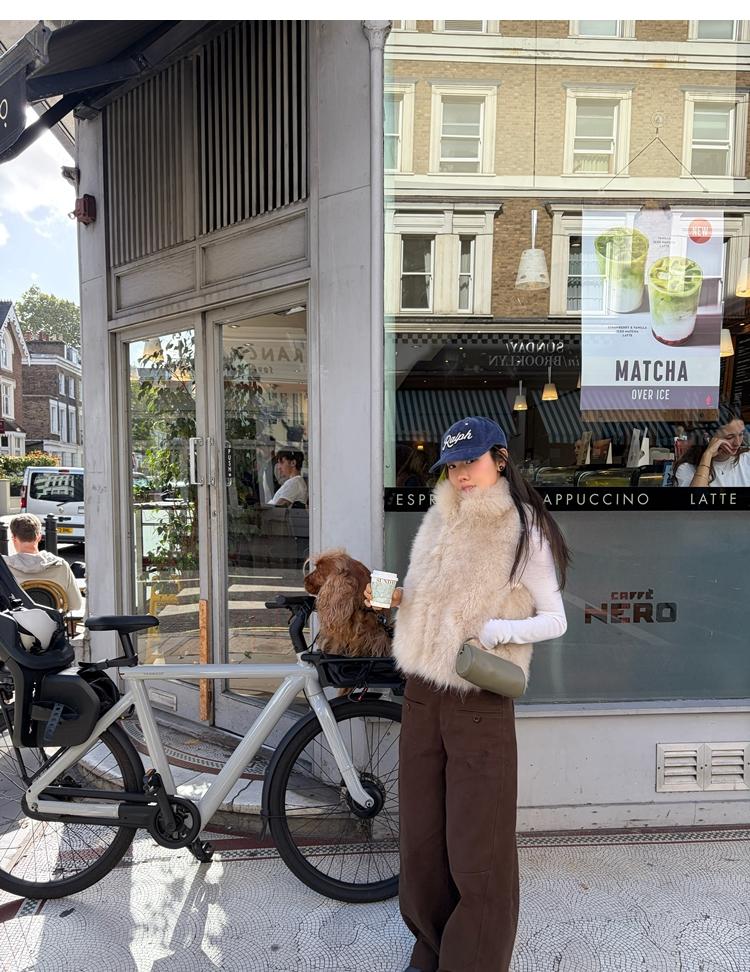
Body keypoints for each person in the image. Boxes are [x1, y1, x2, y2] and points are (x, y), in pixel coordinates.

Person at [366, 416, 569, 972]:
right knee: (422, 840)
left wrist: (497, 631)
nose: (461, 474)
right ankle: (430, 946)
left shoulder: (522, 527)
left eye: (471, 461)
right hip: (422, 693)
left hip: (478, 697)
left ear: (499, 459)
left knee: (479, 848)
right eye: (453, 465)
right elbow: (431, 599)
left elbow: (555, 619)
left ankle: (472, 960)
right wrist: (398, 599)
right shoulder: (438, 519)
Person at [4, 513, 83, 611]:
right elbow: (76, 605)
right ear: (39, 537)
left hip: (16, 620)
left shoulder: (4, 568)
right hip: (52, 620)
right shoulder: (61, 565)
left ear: (14, 538)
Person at [672, 412, 749, 487]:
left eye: (740, 434)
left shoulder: (747, 458)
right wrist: (708, 455)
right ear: (708, 437)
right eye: (729, 437)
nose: (737, 443)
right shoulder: (687, 468)